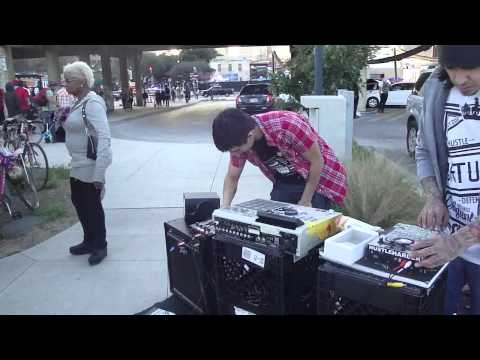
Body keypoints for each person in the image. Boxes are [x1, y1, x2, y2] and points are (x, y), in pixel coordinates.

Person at [411, 45, 480, 315]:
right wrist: (433, 197)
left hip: (454, 245)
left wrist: (454, 244)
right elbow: (424, 149)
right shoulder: (437, 89)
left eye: (471, 69)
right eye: (452, 69)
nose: (460, 79)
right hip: (450, 246)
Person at [212, 109, 347, 209]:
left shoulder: (288, 125)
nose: (235, 154)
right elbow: (232, 177)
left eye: (236, 150)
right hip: (284, 181)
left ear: (250, 135)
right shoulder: (238, 139)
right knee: (277, 228)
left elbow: (317, 161)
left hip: (317, 180)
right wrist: (225, 208)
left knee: (314, 233)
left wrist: (306, 200)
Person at [62, 61, 112, 266]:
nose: (65, 84)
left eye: (69, 80)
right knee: (80, 204)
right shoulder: (78, 102)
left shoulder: (92, 103)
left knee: (92, 207)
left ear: (82, 81)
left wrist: (99, 174)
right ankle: (89, 240)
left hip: (90, 166)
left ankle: (100, 245)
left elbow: (104, 137)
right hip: (77, 164)